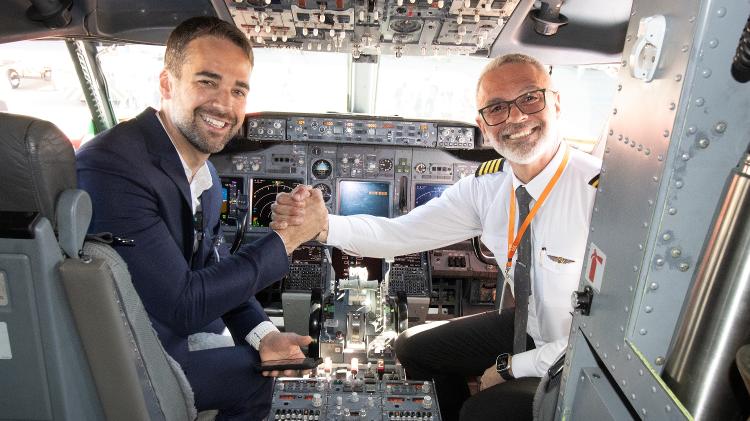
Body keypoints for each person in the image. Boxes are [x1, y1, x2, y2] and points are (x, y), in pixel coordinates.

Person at [271, 53, 601, 420]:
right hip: (531, 323)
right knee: (413, 347)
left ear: (555, 101)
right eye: (497, 108)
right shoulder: (486, 188)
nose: (516, 117)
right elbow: (400, 234)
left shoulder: (601, 194)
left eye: (529, 98)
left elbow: (603, 336)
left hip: (577, 350)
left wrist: (511, 368)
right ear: (483, 124)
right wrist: (323, 225)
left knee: (482, 412)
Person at [77, 17, 327, 421]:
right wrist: (287, 239)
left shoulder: (204, 176)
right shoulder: (113, 167)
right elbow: (185, 305)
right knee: (256, 378)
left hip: (156, 337)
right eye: (207, 82)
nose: (224, 105)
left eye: (238, 90)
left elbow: (210, 267)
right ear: (167, 84)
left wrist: (265, 334)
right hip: (122, 362)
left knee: (267, 357)